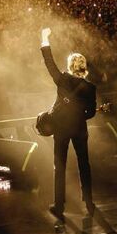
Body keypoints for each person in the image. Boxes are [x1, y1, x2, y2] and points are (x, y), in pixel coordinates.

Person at [40, 28, 97, 222]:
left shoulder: (63, 80)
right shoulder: (90, 88)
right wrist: (79, 114)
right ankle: (89, 203)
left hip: (61, 129)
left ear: (70, 66)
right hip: (80, 129)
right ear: (84, 67)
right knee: (84, 165)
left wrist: (44, 38)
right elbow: (91, 113)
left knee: (60, 166)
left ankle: (59, 205)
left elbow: (49, 64)